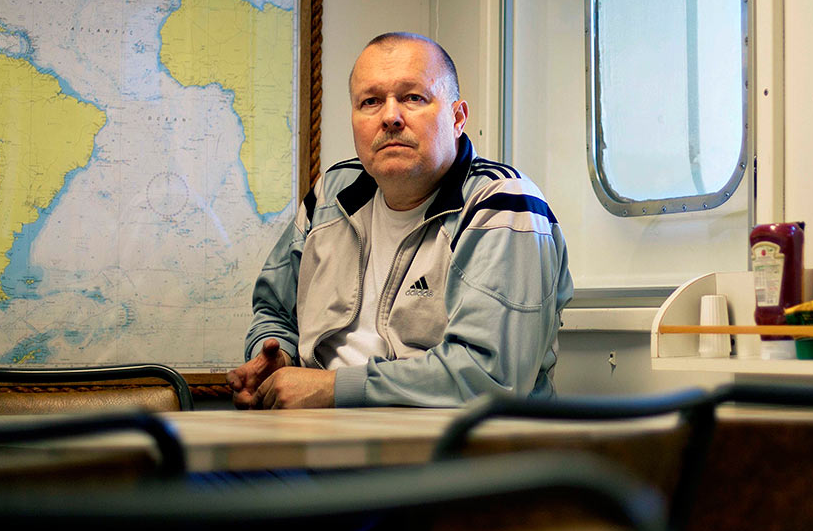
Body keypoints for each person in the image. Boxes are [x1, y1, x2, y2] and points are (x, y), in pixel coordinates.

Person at [227, 32, 572, 408]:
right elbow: (274, 310)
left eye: (413, 97)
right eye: (370, 102)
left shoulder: (505, 207)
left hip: (451, 453)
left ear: (458, 118)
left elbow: (488, 377)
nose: (390, 117)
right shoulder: (331, 195)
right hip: (320, 437)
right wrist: (281, 359)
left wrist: (330, 388)